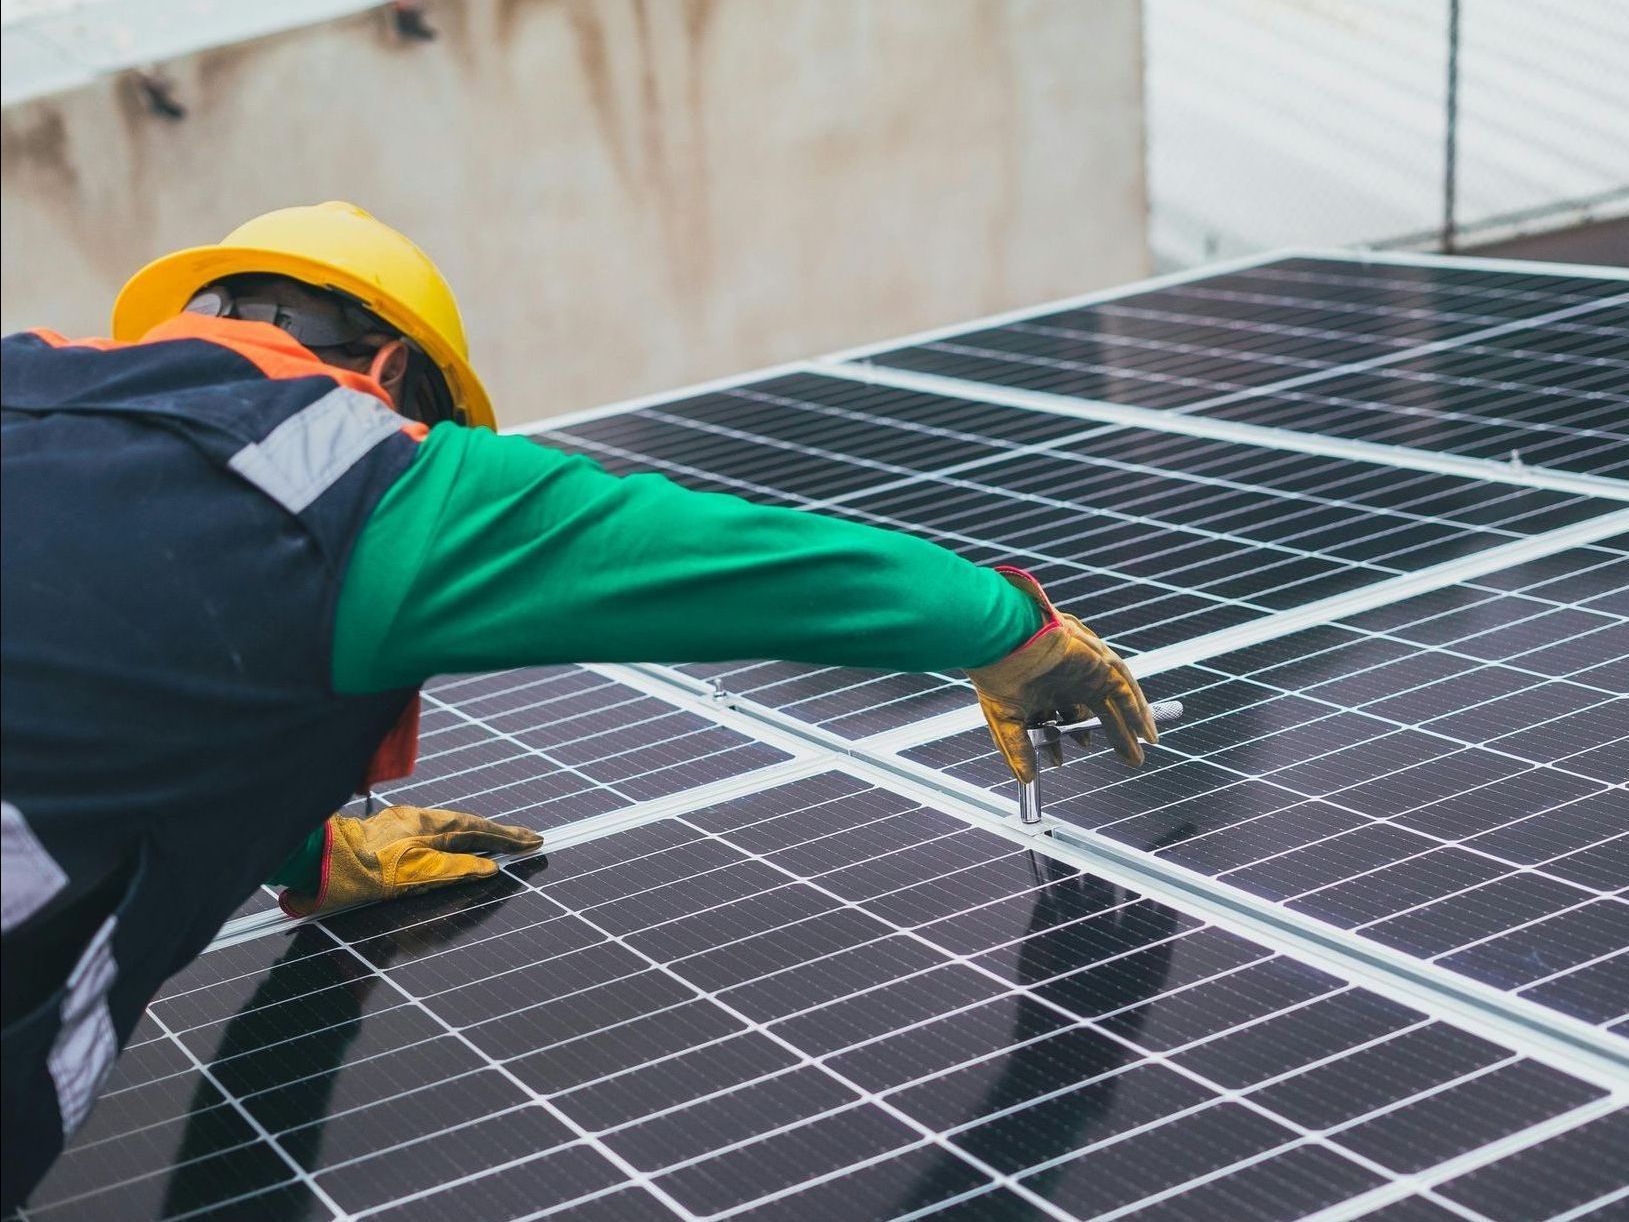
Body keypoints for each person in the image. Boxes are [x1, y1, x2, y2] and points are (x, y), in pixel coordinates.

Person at [0, 201, 1156, 1208]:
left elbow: (123, 641)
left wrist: (303, 850)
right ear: (401, 374)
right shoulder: (370, 476)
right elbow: (744, 560)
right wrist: (1016, 633)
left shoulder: (26, 375)